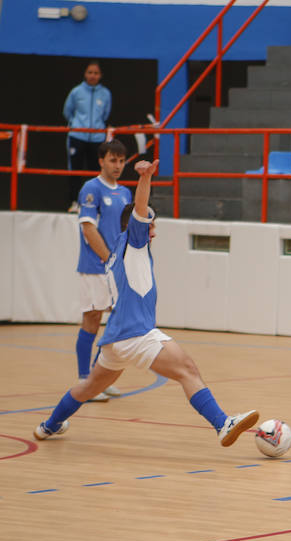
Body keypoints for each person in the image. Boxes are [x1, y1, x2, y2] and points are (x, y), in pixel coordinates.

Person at [34, 159, 260, 445]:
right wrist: (145, 178)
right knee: (187, 369)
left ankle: (49, 425)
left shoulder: (116, 250)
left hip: (114, 339)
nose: (153, 231)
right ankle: (222, 423)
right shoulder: (134, 241)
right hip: (136, 332)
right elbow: (140, 210)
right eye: (150, 226)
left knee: (90, 386)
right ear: (136, 226)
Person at [75, 138, 132, 402]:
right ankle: (84, 381)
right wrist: (108, 258)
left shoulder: (125, 193)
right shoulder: (91, 188)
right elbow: (88, 228)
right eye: (113, 160)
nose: (118, 165)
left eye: (121, 160)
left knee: (117, 321)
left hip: (115, 267)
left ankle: (99, 378)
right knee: (93, 318)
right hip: (95, 266)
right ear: (101, 160)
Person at [64, 60, 112, 213]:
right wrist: (76, 124)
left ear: (100, 75)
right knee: (75, 170)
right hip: (77, 136)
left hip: (97, 138)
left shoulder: (105, 94)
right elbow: (67, 111)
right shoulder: (76, 92)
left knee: (95, 171)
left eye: (96, 73)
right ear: (85, 74)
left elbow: (105, 114)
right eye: (90, 72)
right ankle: (75, 202)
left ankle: (95, 203)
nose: (92, 75)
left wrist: (98, 127)